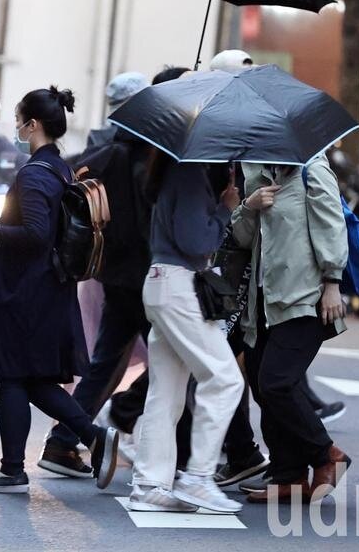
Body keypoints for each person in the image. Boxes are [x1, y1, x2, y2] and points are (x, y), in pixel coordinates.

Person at [0, 86, 120, 494]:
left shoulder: (34, 174)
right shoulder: (59, 168)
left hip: (24, 292)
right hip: (46, 288)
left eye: (18, 120)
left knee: (12, 377)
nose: (15, 128)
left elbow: (35, 233)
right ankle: (93, 437)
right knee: (33, 380)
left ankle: (13, 469)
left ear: (33, 125)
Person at [40, 72, 152, 478]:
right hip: (145, 273)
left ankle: (65, 441)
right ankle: (196, 453)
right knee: (188, 361)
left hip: (116, 271)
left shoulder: (109, 147)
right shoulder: (139, 150)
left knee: (108, 361)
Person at [125, 149, 245, 513]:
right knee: (225, 379)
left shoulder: (171, 169)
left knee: (167, 391)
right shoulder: (189, 173)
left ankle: (149, 483)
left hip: (164, 283)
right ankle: (198, 477)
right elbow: (197, 242)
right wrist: (227, 208)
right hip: (179, 286)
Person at [232, 153, 351, 504]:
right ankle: (289, 474)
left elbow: (332, 224)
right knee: (260, 382)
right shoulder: (252, 171)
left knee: (277, 381)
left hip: (306, 297)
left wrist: (332, 282)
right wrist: (249, 206)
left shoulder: (312, 169)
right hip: (262, 300)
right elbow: (242, 238)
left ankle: (327, 454)